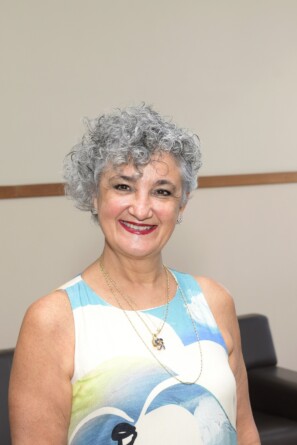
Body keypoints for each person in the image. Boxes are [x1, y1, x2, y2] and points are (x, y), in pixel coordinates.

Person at [9, 105, 260, 445]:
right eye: (123, 186)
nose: (141, 210)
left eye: (162, 191)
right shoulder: (53, 320)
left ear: (182, 204)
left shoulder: (213, 302)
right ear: (94, 196)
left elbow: (244, 430)